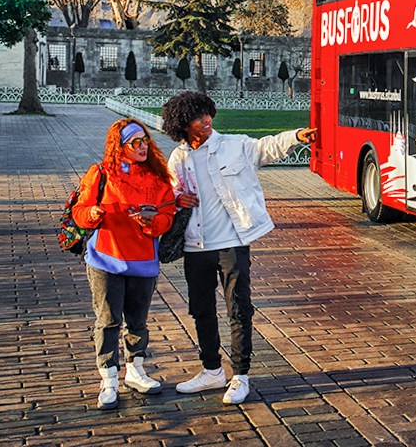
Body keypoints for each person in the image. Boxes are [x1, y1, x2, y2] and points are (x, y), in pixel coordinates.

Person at [163, 90, 315, 405]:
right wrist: (177, 199)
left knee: (238, 308)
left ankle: (240, 375)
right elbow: (170, 196)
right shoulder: (178, 158)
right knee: (201, 310)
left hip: (232, 243)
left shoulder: (234, 146)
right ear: (182, 124)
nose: (205, 121)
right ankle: (211, 369)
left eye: (207, 114)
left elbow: (266, 147)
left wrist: (297, 136)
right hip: (196, 245)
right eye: (196, 117)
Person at [71, 118, 176, 409]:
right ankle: (108, 378)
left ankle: (135, 370)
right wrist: (92, 213)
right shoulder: (101, 173)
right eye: (135, 142)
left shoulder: (157, 179)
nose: (143, 147)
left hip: (143, 260)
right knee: (107, 320)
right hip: (105, 258)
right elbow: (79, 211)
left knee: (137, 321)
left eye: (145, 141)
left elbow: (168, 217)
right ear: (120, 146)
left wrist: (152, 223)